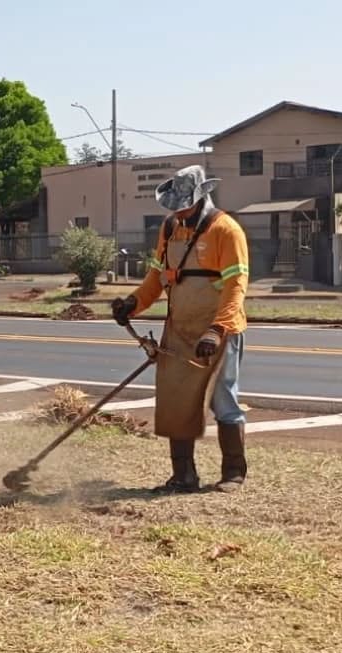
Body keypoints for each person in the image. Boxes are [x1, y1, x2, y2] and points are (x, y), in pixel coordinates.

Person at [112, 164, 249, 493]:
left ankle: (233, 473)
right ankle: (183, 476)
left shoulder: (226, 230)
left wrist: (217, 329)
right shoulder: (170, 228)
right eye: (175, 206)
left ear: (201, 198)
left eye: (184, 206)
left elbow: (236, 286)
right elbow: (157, 277)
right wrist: (133, 303)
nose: (179, 212)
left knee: (223, 399)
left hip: (218, 331)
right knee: (176, 401)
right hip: (179, 329)